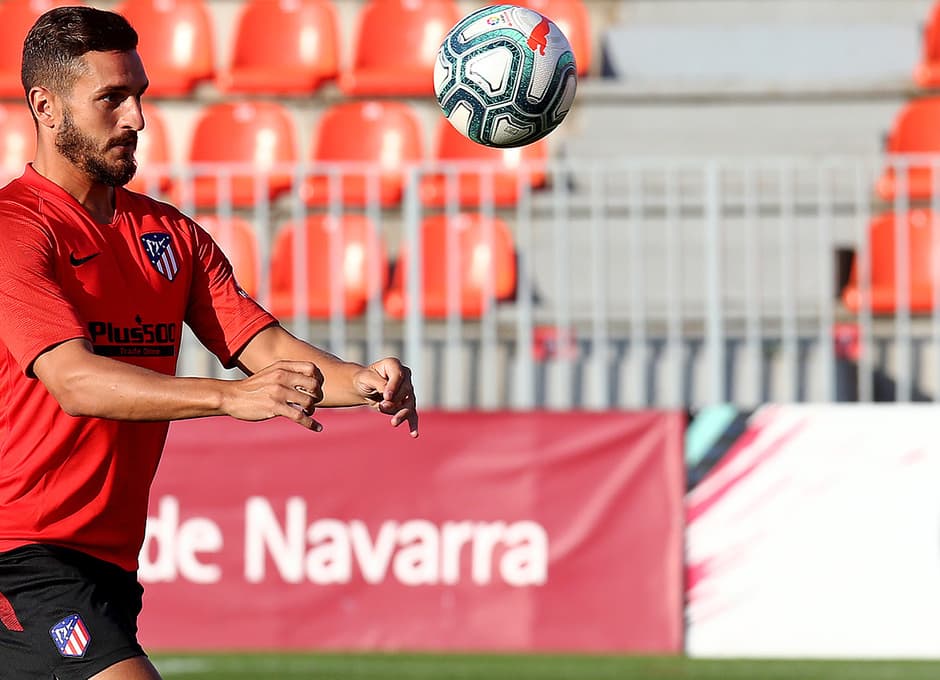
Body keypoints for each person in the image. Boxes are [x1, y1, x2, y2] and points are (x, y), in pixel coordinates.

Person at [0, 6, 419, 679]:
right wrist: (228, 400)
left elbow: (267, 348)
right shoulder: (17, 229)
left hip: (107, 563)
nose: (136, 118)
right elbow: (75, 382)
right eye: (112, 98)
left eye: (138, 95)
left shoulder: (171, 237)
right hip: (22, 555)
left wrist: (361, 381)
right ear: (45, 107)